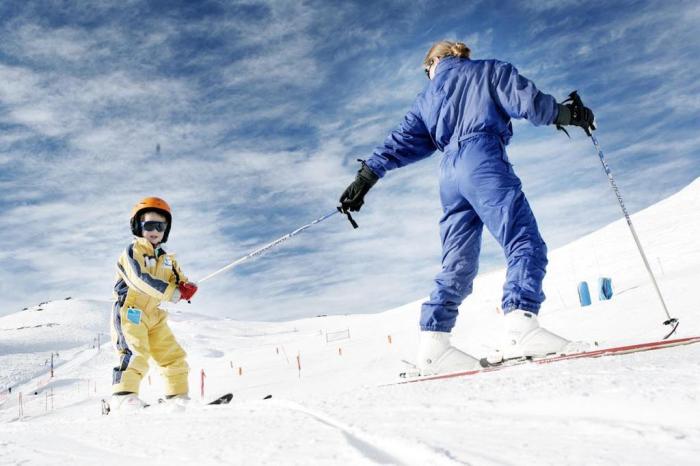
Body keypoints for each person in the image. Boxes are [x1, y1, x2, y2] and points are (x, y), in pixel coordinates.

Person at [339, 40, 594, 376]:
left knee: (457, 261)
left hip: (449, 175)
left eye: (426, 68)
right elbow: (528, 103)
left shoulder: (426, 99)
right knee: (522, 239)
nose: (428, 75)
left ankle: (434, 345)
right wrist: (568, 114)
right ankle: (520, 326)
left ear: (436, 60)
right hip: (482, 158)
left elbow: (400, 141)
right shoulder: (488, 70)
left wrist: (365, 177)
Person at [110, 197, 199, 411]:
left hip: (155, 315)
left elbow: (179, 280)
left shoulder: (168, 259)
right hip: (131, 311)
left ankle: (177, 396)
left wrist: (186, 287)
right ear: (138, 226)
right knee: (135, 351)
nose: (155, 230)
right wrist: (172, 292)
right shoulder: (132, 252)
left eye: (160, 226)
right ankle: (123, 397)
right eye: (149, 225)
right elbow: (139, 279)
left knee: (172, 355)